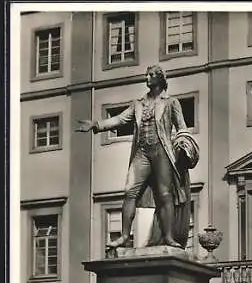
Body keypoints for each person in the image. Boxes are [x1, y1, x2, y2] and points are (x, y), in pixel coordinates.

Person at [76, 64, 199, 250]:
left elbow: (182, 127)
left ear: (160, 79)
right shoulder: (138, 104)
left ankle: (168, 237)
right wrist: (96, 124)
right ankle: (125, 236)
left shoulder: (171, 102)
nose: (147, 78)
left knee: (165, 195)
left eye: (151, 75)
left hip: (162, 151)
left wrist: (182, 144)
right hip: (142, 151)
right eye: (146, 75)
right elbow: (120, 119)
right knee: (129, 192)